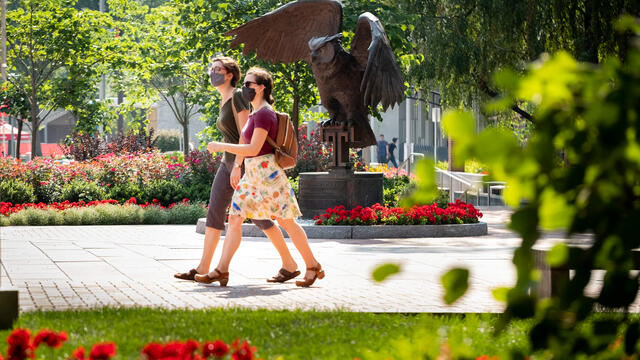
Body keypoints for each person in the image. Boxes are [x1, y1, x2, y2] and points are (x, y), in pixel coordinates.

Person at [174, 57, 301, 284]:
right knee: (221, 212)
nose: (213, 73)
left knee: (260, 219)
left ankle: (289, 264)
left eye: (217, 69)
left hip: (239, 163)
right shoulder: (224, 99)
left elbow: (245, 134)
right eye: (211, 69)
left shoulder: (239, 98)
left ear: (230, 74)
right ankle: (205, 267)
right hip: (230, 162)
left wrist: (237, 166)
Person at [195, 66, 324, 288]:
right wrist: (237, 164)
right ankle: (221, 270)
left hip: (268, 175)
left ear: (262, 87)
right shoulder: (255, 113)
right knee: (235, 218)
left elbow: (254, 148)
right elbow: (247, 146)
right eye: (244, 83)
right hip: (253, 175)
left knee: (286, 221)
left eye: (249, 84)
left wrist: (220, 146)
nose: (244, 88)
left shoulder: (265, 114)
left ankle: (312, 264)